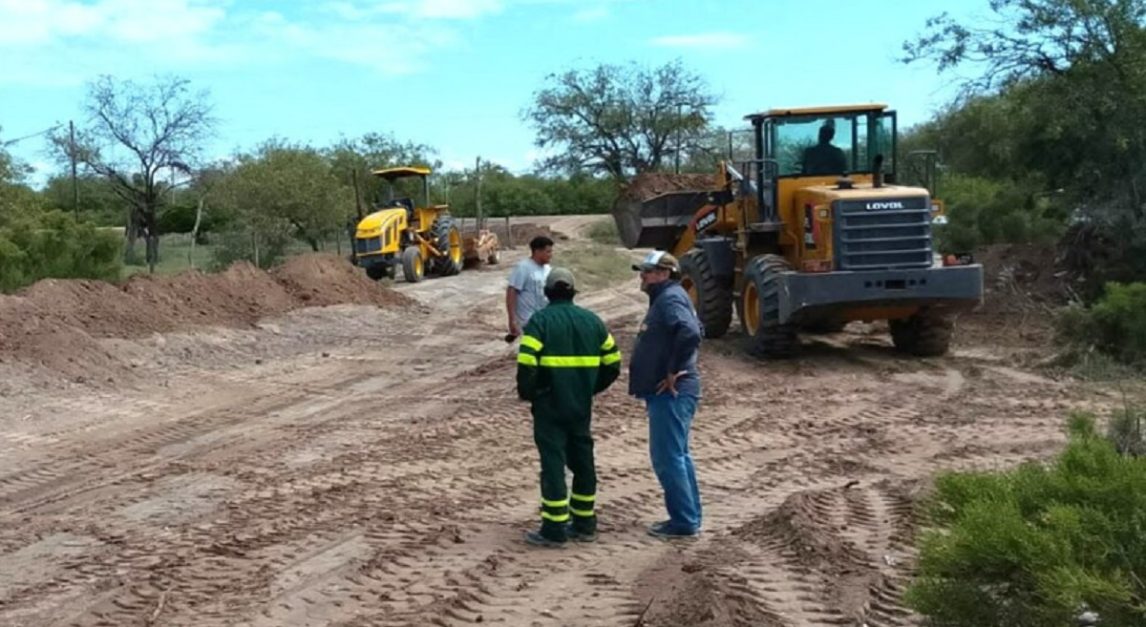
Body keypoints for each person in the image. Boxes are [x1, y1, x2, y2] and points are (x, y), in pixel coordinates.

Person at [516, 267, 622, 547]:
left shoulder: (540, 322)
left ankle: (554, 528)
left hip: (549, 407)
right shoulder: (593, 322)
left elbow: (526, 364)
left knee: (553, 464)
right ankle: (585, 523)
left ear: (548, 293)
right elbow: (613, 364)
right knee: (583, 462)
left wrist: (531, 393)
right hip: (580, 406)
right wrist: (588, 388)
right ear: (573, 293)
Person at [628, 250, 704, 539]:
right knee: (677, 455)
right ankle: (688, 517)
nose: (642, 276)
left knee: (668, 457)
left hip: (671, 392)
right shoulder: (669, 297)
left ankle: (684, 521)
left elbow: (690, 332)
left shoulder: (670, 298)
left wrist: (672, 370)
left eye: (647, 271)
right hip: (672, 392)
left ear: (664, 274)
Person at [506, 236, 554, 340]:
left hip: (544, 319)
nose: (551, 255)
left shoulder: (548, 269)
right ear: (537, 251)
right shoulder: (523, 268)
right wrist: (512, 319)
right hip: (528, 320)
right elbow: (512, 292)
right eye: (548, 252)